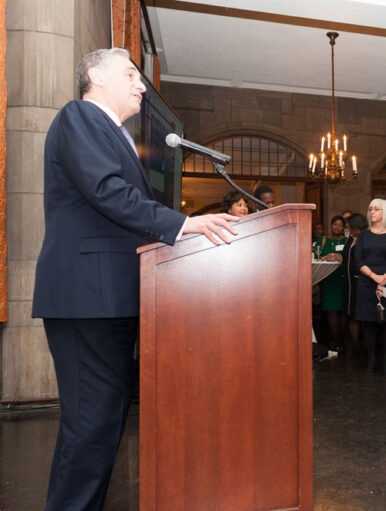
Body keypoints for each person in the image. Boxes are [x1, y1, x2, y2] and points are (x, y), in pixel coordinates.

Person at [31, 48, 238, 511]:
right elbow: (107, 191)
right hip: (88, 296)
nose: (141, 86)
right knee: (90, 428)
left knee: (102, 426)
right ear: (95, 76)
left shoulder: (113, 132)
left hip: (108, 296)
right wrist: (182, 224)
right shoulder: (80, 116)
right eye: (130, 74)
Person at [355, 200, 386, 373]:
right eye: (370, 209)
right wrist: (374, 277)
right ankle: (371, 361)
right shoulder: (363, 235)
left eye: (376, 209)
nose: (372, 212)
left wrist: (383, 279)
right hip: (367, 281)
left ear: (385, 212)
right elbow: (358, 260)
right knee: (368, 322)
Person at [318, 215, 348, 353]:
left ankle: (340, 340)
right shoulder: (323, 240)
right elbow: (314, 256)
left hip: (342, 279)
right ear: (331, 225)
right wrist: (324, 257)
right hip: (328, 279)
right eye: (335, 224)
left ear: (344, 227)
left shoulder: (347, 241)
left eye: (340, 225)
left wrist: (338, 257)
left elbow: (351, 258)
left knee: (342, 312)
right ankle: (335, 341)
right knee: (331, 312)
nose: (337, 227)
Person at [341, 213, 368, 357]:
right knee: (351, 314)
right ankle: (355, 345)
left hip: (361, 282)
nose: (348, 229)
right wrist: (338, 257)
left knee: (361, 314)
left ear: (357, 226)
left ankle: (364, 346)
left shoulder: (366, 238)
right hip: (348, 282)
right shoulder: (351, 239)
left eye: (350, 226)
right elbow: (347, 257)